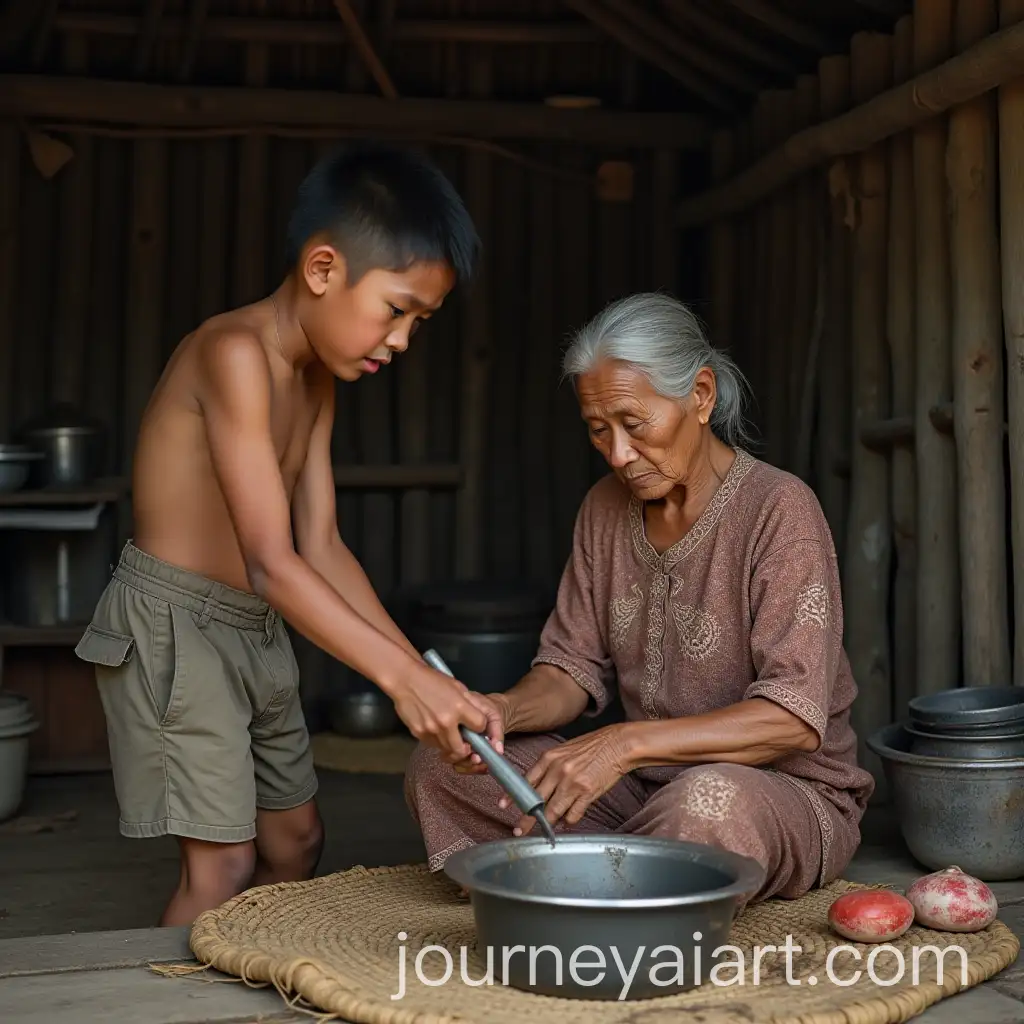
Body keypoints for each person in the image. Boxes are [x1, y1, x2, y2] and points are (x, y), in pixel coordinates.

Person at [74, 143, 501, 927]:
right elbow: (274, 562)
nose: (403, 340)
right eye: (397, 309)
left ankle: (268, 982)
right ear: (323, 270)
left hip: (253, 629)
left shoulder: (315, 382)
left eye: (421, 322)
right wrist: (405, 687)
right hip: (178, 626)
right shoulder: (232, 353)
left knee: (297, 838)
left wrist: (427, 676)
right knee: (224, 864)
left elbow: (323, 545)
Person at [404, 292, 875, 905]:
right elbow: (569, 669)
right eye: (598, 430)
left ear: (700, 396)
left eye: (635, 423)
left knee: (708, 806)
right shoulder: (604, 507)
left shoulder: (778, 511)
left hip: (778, 792)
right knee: (441, 768)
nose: (619, 454)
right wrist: (500, 712)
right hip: (641, 790)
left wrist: (622, 744)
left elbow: (792, 720)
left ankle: (597, 871)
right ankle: (636, 870)